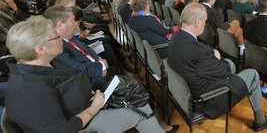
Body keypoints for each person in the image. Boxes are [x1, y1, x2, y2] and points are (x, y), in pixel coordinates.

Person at [5, 16, 165, 132]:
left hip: (88, 104)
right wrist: (93, 108)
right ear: (41, 49)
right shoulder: (29, 88)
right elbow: (60, 129)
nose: (61, 38)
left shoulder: (47, 63)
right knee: (142, 111)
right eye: (56, 36)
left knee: (135, 94)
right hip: (83, 123)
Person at [168, 3, 267, 131]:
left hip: (189, 85)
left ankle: (235, 86)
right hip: (207, 99)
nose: (204, 24)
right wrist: (216, 58)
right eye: (204, 21)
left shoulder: (176, 36)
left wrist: (213, 55)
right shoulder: (199, 51)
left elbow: (200, 57)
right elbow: (221, 70)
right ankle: (260, 121)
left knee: (230, 64)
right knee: (252, 74)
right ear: (198, 22)